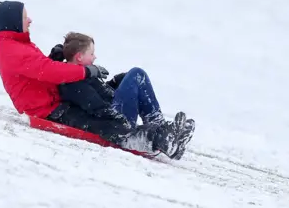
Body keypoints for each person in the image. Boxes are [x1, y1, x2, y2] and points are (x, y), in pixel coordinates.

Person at [0, 1, 183, 157]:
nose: (30, 20)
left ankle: (161, 129)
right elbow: (48, 71)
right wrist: (87, 72)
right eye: (25, 17)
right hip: (49, 110)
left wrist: (56, 58)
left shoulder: (16, 44)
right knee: (125, 90)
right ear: (13, 22)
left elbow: (41, 69)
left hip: (54, 103)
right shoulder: (13, 50)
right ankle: (158, 135)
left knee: (130, 78)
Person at [50, 32, 195, 160]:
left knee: (136, 76)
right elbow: (96, 106)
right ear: (79, 57)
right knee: (135, 74)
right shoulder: (71, 82)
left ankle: (166, 133)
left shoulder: (81, 73)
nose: (95, 57)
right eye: (92, 53)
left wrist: (114, 83)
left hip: (113, 113)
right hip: (114, 121)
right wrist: (119, 117)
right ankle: (163, 130)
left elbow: (99, 94)